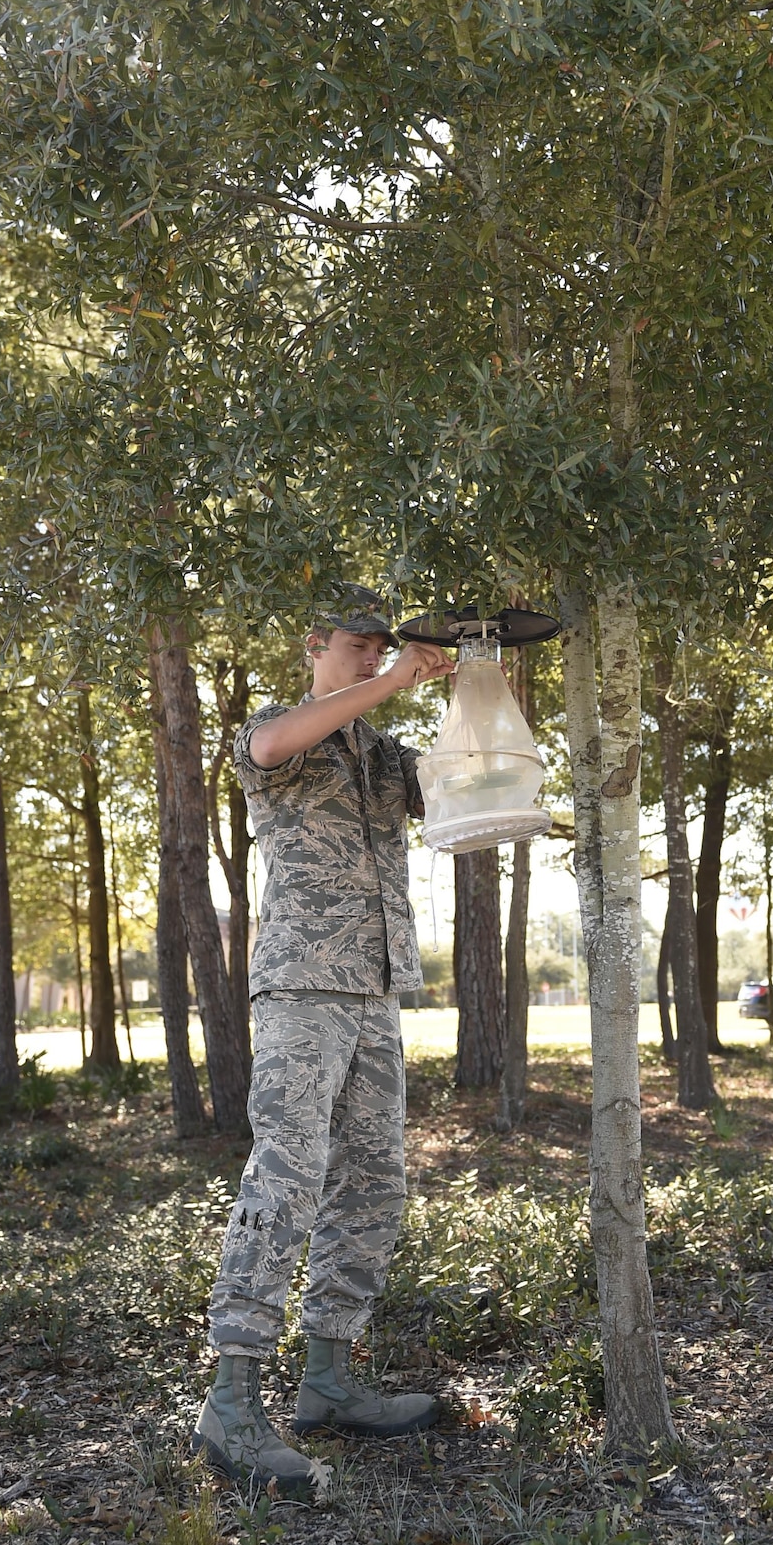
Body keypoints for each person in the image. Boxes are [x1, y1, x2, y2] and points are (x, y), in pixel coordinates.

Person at [192, 589, 454, 1495]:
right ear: (316, 645)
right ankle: (231, 1402)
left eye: (387, 647)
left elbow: (467, 786)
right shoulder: (278, 727)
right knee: (289, 1174)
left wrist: (476, 677)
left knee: (375, 1180)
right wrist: (393, 682)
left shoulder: (384, 756)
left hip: (376, 991)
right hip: (304, 985)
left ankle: (329, 1381)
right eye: (362, 644)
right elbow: (270, 748)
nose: (377, 657)